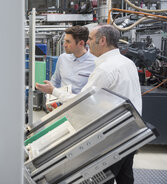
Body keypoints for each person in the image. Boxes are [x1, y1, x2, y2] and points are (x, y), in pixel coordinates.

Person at [36, 24, 142, 184]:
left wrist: (54, 92)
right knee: (125, 176)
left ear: (103, 41)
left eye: (91, 39)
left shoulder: (105, 69)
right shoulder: (127, 63)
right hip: (132, 127)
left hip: (112, 134)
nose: (88, 42)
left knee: (103, 176)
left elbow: (82, 101)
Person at [44, 25, 96, 101]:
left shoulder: (95, 62)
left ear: (81, 43)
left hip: (83, 107)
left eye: (68, 42)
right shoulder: (63, 58)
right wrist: (49, 99)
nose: (64, 45)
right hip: (62, 106)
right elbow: (55, 81)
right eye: (64, 41)